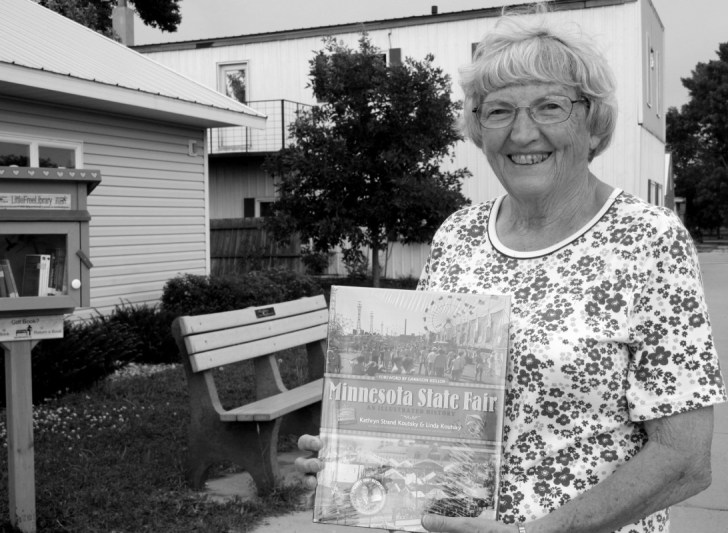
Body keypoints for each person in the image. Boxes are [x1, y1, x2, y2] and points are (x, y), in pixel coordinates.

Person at [298, 4, 727, 533]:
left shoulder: (649, 240)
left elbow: (684, 460)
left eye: (550, 107)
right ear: (478, 130)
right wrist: (358, 453)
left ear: (592, 124)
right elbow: (436, 409)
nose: (523, 133)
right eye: (498, 111)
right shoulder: (458, 235)